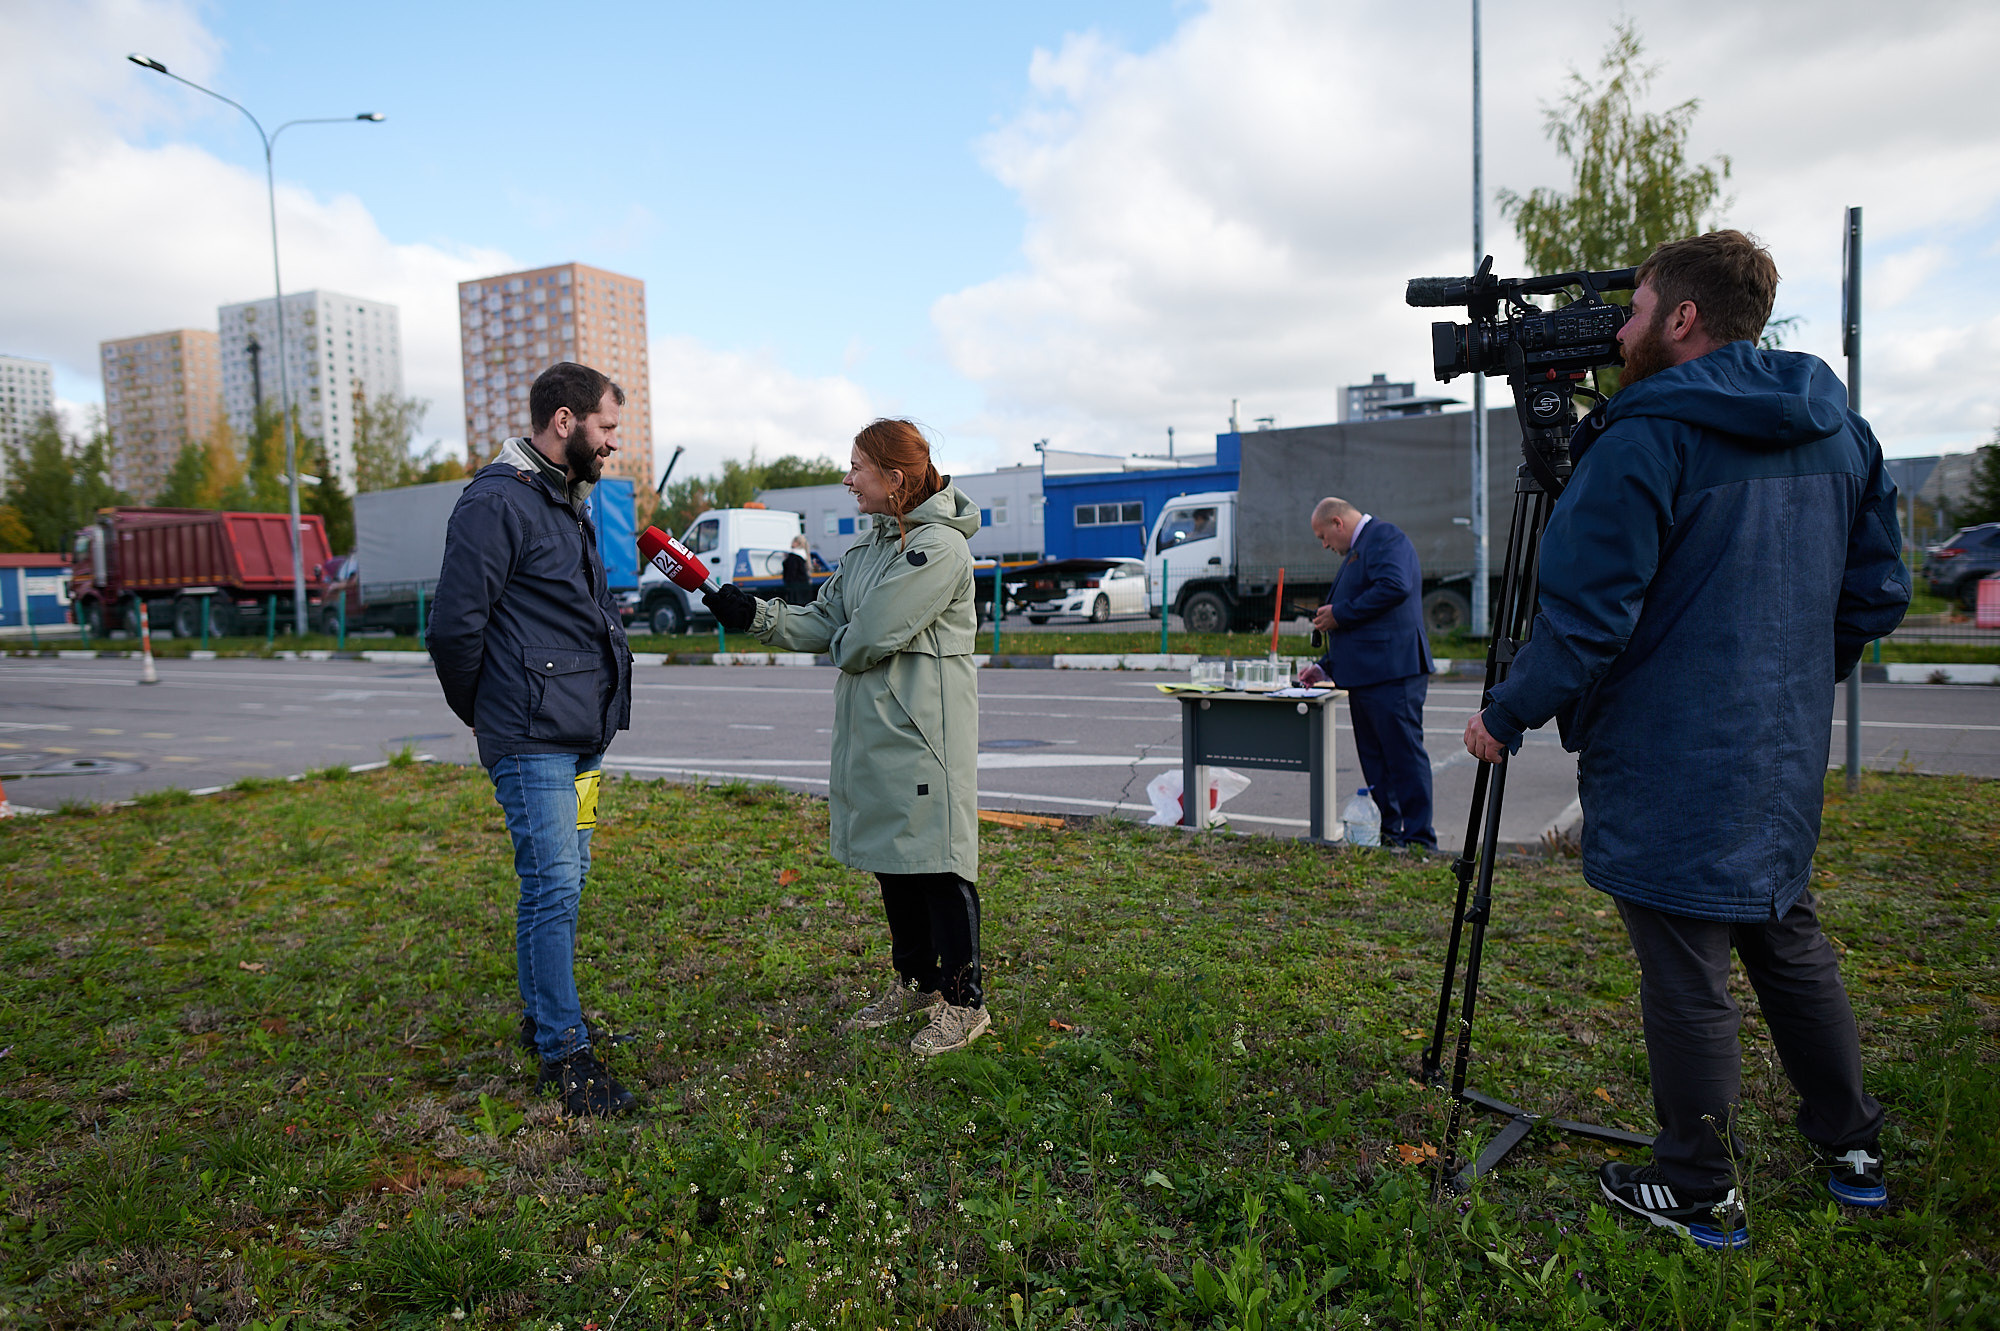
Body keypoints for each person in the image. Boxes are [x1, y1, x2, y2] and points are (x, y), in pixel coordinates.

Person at [1462, 231, 1909, 1248]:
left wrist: (1502, 712)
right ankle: (1849, 1148)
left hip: (1669, 755)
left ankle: (1696, 1185)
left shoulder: (1642, 437)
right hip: (1777, 751)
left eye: (1632, 311)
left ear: (1680, 318)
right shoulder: (1838, 429)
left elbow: (1584, 617)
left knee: (1685, 969)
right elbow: (1877, 588)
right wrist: (1788, 673)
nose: (1616, 331)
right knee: (1784, 935)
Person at [703, 419, 988, 1057]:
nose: (846, 478)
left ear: (894, 478)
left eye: (857, 467)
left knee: (938, 862)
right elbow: (827, 618)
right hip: (877, 730)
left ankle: (964, 1002)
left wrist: (843, 637)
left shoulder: (938, 549)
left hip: (924, 734)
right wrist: (753, 615)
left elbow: (865, 638)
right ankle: (916, 984)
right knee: (894, 861)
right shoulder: (869, 550)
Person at [430, 361, 638, 1117]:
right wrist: (491, 715)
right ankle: (564, 1051)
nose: (614, 442)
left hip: (577, 732)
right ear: (564, 421)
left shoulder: (563, 498)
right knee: (553, 885)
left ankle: (542, 1016)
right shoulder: (496, 502)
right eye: (606, 427)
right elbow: (455, 627)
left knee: (563, 880)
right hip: (532, 736)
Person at [1297, 497, 1437, 849]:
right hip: (1367, 675)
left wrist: (1339, 614)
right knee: (1376, 762)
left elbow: (1395, 586)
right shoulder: (1362, 547)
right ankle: (1391, 834)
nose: (1325, 544)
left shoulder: (1384, 537)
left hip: (1392, 672)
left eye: (1323, 536)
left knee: (1403, 757)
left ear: (1337, 522)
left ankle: (1419, 840)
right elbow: (1367, 619)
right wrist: (1324, 667)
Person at [782, 534, 813, 605]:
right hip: (803, 590)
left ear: (797, 543)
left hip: (795, 591)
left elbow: (791, 574)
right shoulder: (803, 556)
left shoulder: (793, 557)